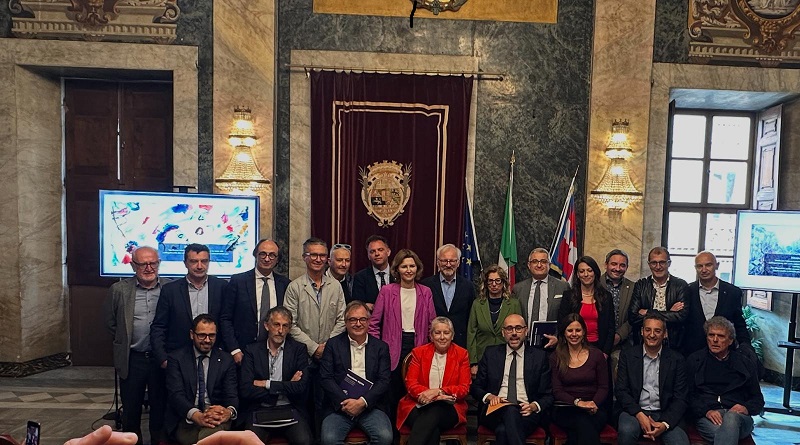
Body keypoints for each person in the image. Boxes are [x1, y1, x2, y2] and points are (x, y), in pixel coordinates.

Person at [103, 246, 170, 444]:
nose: (149, 268)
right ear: (133, 266)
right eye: (143, 264)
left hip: (162, 359)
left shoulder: (170, 288)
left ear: (159, 264)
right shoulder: (119, 290)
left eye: (153, 263)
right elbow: (110, 323)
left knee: (160, 407)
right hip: (133, 359)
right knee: (131, 410)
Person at [369, 248, 436, 425]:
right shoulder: (387, 291)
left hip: (418, 345)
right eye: (404, 266)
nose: (408, 270)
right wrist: (378, 348)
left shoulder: (426, 292)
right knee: (393, 391)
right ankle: (392, 431)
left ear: (417, 268)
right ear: (397, 269)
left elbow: (432, 324)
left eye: (412, 266)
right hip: (391, 347)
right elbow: (374, 323)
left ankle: (412, 430)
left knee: (414, 390)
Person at [470, 314, 553, 445]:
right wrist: (490, 397)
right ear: (503, 333)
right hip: (494, 411)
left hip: (526, 412)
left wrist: (533, 406)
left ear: (526, 331)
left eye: (518, 328)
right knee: (510, 410)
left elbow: (548, 395)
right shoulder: (491, 354)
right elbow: (476, 387)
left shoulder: (539, 357)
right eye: (509, 329)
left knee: (503, 431)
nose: (514, 333)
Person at [319, 301, 393, 445]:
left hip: (370, 406)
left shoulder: (380, 347)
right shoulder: (333, 345)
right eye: (353, 319)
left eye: (362, 319)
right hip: (340, 406)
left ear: (369, 321)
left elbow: (384, 381)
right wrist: (347, 403)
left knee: (384, 437)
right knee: (329, 440)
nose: (358, 324)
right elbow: (326, 378)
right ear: (346, 322)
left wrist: (362, 402)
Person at [239, 306, 313, 445]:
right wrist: (287, 386)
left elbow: (301, 388)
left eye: (285, 326)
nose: (280, 330)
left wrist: (266, 384)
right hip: (260, 408)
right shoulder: (252, 351)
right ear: (267, 326)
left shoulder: (298, 350)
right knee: (249, 442)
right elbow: (246, 389)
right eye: (276, 325)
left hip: (290, 408)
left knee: (304, 441)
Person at [686, 316, 764, 445]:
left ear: (730, 340)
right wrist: (706, 411)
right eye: (711, 335)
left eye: (721, 336)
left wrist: (746, 408)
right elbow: (688, 396)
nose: (715, 340)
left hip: (739, 416)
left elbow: (758, 399)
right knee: (725, 433)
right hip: (709, 416)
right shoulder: (695, 360)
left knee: (731, 419)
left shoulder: (744, 363)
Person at [615, 314, 689, 445]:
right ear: (642, 331)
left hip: (665, 413)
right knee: (627, 431)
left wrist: (665, 424)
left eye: (657, 331)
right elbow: (621, 391)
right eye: (648, 330)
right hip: (634, 411)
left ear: (665, 334)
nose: (652, 335)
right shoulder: (628, 356)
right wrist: (639, 414)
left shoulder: (677, 359)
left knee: (679, 442)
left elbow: (681, 398)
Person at [164, 314, 238, 445]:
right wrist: (197, 416)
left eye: (212, 335)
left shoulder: (226, 360)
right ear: (192, 334)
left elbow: (232, 395)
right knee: (207, 439)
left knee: (211, 435)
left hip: (215, 417)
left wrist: (228, 411)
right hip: (187, 417)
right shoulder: (177, 358)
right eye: (202, 335)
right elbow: (176, 395)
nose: (207, 340)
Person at [151, 244, 228, 368]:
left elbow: (227, 322)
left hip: (214, 358)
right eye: (194, 261)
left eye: (204, 261)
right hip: (178, 359)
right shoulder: (170, 290)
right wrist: (163, 359)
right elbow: (159, 327)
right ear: (185, 263)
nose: (199, 266)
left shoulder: (222, 287)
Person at [397, 317, 471, 445]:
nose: (442, 337)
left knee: (435, 411)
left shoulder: (461, 354)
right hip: (417, 404)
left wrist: (438, 392)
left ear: (452, 336)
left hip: (449, 408)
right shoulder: (419, 353)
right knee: (432, 430)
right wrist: (431, 396)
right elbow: (411, 384)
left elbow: (464, 388)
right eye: (437, 333)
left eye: (446, 333)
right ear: (431, 336)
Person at [219, 238, 290, 366]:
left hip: (275, 352)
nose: (267, 259)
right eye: (263, 254)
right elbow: (225, 318)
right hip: (242, 352)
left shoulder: (284, 284)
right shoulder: (238, 281)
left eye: (272, 255)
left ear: (277, 259)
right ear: (255, 255)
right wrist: (234, 349)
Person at [550, 313, 609, 445]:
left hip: (594, 408)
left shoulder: (596, 355)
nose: (574, 334)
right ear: (564, 333)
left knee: (579, 429)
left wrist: (593, 403)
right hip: (565, 408)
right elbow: (557, 390)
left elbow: (604, 387)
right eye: (570, 330)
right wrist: (578, 403)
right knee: (583, 423)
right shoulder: (555, 357)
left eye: (578, 330)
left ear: (584, 332)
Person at [284, 237, 346, 360]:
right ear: (304, 257)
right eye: (313, 255)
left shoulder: (335, 286)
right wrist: (313, 348)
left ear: (327, 259)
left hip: (331, 353)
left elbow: (342, 319)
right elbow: (290, 324)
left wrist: (327, 346)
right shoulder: (294, 287)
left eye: (322, 255)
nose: (318, 259)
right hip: (302, 354)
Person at [683, 251, 751, 357]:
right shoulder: (687, 291)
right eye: (700, 266)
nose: (704, 270)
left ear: (717, 265)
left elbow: (739, 323)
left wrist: (746, 349)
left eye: (708, 265)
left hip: (725, 354)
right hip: (693, 354)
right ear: (695, 268)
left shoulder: (732, 292)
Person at [629, 247, 689, 350]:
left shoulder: (681, 285)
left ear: (669, 263)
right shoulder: (641, 285)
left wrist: (647, 312)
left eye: (662, 262)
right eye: (654, 263)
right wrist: (669, 312)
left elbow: (681, 316)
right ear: (649, 264)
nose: (658, 267)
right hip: (644, 343)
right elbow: (633, 317)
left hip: (673, 343)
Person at [467, 265, 522, 377]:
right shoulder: (477, 304)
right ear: (486, 283)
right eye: (490, 281)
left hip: (507, 356)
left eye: (498, 280)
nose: (494, 284)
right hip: (482, 357)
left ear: (503, 282)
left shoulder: (513, 304)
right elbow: (471, 333)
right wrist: (473, 362)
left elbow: (520, 330)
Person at [420, 244, 476, 348]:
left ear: (458, 263)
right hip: (433, 342)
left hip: (460, 343)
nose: (448, 264)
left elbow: (471, 318)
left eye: (452, 261)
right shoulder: (426, 285)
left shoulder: (468, 286)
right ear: (438, 262)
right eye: (444, 261)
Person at [512, 248, 570, 346]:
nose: (539, 265)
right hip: (524, 344)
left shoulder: (563, 287)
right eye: (535, 261)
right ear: (529, 265)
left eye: (543, 261)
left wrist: (558, 338)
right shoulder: (518, 288)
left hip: (553, 344)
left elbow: (567, 317)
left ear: (549, 265)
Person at [557, 256, 615, 355]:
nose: (586, 274)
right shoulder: (569, 296)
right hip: (573, 348)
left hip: (599, 349)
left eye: (589, 270)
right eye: (582, 271)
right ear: (577, 274)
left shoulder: (606, 297)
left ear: (595, 273)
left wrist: (605, 353)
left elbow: (611, 328)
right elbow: (562, 325)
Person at [601, 249, 635, 367]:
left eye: (622, 265)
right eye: (614, 264)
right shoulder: (595, 284)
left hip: (623, 344)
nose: (618, 268)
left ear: (627, 267)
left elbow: (634, 315)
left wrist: (619, 335)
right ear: (606, 265)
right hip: (598, 342)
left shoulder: (633, 287)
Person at [352, 235, 394, 309]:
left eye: (380, 250)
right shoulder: (360, 278)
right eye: (372, 251)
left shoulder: (398, 274)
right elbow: (358, 305)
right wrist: (365, 306)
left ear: (388, 252)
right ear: (368, 256)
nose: (377, 254)